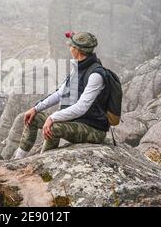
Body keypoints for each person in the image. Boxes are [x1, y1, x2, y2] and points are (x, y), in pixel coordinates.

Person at [12, 31, 111, 159]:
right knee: (33, 117)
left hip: (94, 129)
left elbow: (82, 107)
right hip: (78, 121)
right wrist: (36, 108)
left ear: (77, 50)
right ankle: (18, 159)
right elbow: (61, 93)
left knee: (53, 127)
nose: (69, 48)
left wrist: (53, 117)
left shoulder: (95, 75)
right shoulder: (78, 67)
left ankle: (42, 163)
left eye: (71, 46)